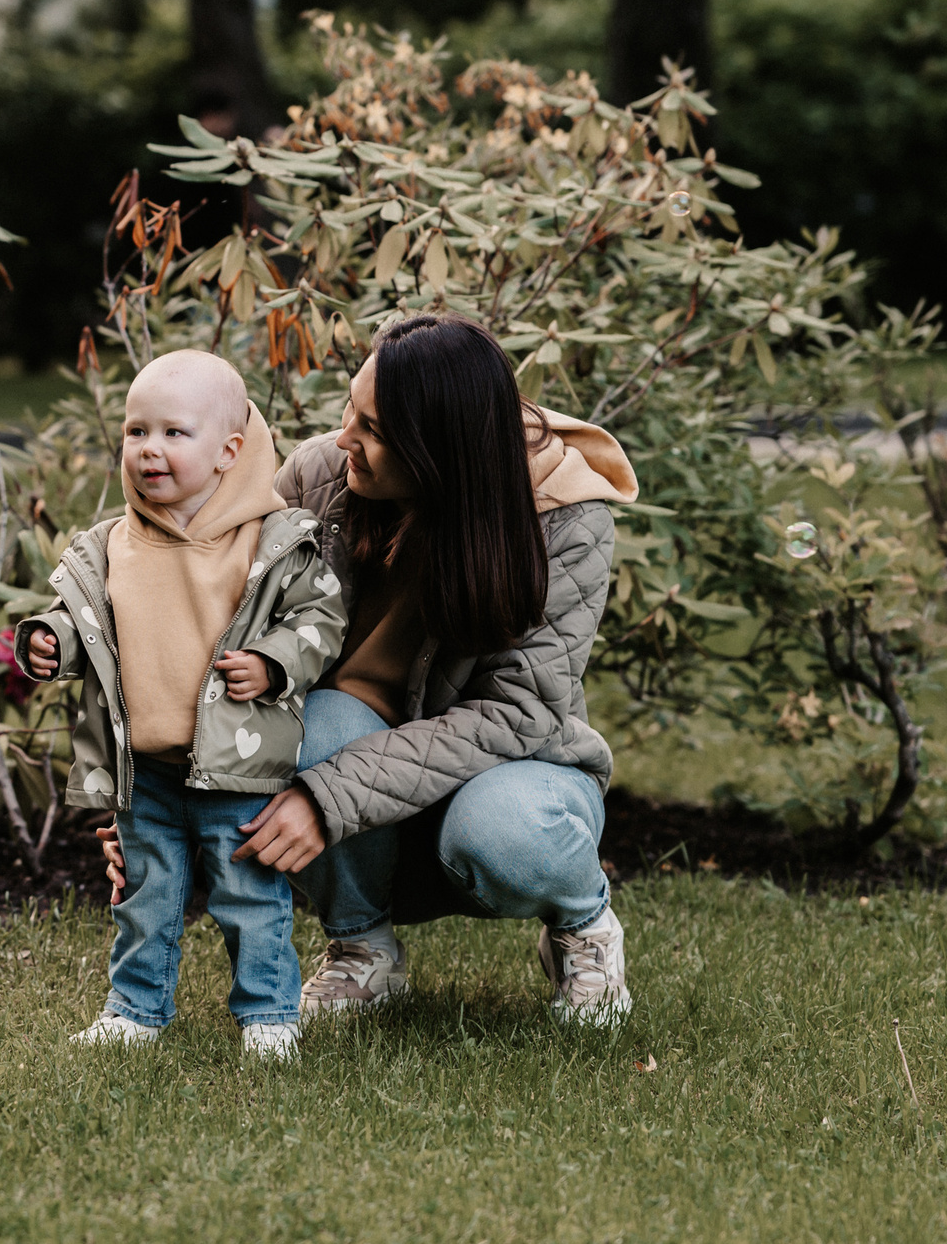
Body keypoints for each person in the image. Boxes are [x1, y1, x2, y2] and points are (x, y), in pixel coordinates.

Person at [99, 314, 639, 1025]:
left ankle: (582, 924)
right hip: (354, 784)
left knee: (506, 829)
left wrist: (328, 797)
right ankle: (362, 950)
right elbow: (214, 633)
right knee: (307, 724)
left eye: (374, 428)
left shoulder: (564, 519)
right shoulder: (322, 477)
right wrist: (160, 800)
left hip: (505, 776)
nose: (344, 435)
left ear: (440, 451)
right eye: (353, 408)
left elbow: (518, 714)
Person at [17, 350, 347, 1059]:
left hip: (237, 764)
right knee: (147, 892)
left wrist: (272, 661)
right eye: (137, 431)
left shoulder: (269, 539)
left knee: (249, 894)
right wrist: (53, 639)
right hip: (146, 769)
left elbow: (320, 622)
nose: (149, 449)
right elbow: (87, 621)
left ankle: (269, 1013)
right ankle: (136, 1006)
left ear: (230, 450)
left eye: (174, 433)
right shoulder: (111, 545)